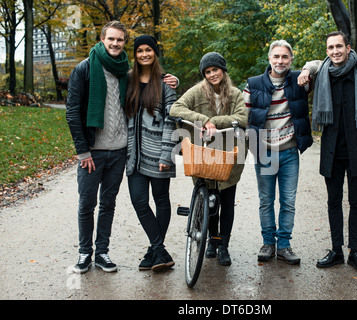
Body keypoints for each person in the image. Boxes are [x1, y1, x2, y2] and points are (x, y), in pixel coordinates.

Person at [66, 21, 178, 274]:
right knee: (87, 204)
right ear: (103, 39)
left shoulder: (123, 72)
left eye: (120, 40)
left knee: (108, 204)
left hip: (119, 152)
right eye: (111, 39)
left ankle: (103, 253)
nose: (115, 44)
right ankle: (85, 253)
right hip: (92, 152)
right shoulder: (85, 69)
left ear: (124, 43)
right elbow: (72, 113)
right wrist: (82, 151)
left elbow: (159, 91)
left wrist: (172, 80)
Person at [298, 31, 357, 272]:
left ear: (348, 48)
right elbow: (301, 86)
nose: (335, 51)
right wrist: (307, 70)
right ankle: (336, 250)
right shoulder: (322, 76)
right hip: (332, 150)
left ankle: (354, 252)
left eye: (339, 46)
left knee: (356, 201)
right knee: (333, 201)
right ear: (326, 51)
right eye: (330, 47)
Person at [169, 52, 248, 266]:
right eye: (208, 71)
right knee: (210, 200)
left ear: (223, 70)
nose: (213, 74)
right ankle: (211, 240)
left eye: (216, 70)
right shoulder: (196, 92)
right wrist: (202, 120)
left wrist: (215, 121)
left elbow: (242, 118)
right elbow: (175, 108)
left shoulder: (234, 93)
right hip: (203, 153)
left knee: (227, 201)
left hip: (229, 153)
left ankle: (224, 245)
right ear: (204, 74)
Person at [243, 40, 313, 265]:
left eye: (285, 57)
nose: (280, 61)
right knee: (266, 200)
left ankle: (284, 245)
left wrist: (307, 69)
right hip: (264, 152)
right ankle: (268, 243)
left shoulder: (300, 81)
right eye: (276, 57)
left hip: (290, 151)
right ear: (269, 59)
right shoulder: (252, 85)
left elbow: (323, 64)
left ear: (291, 59)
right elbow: (244, 118)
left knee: (288, 201)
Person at [125, 35, 177, 272]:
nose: (144, 54)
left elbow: (171, 122)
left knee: (161, 200)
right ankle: (159, 250)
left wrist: (167, 156)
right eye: (139, 51)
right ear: (134, 55)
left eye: (148, 50)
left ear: (155, 53)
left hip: (159, 155)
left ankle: (155, 250)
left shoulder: (166, 85)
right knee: (139, 201)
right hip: (134, 156)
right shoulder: (127, 81)